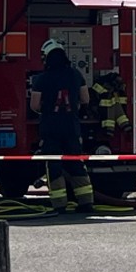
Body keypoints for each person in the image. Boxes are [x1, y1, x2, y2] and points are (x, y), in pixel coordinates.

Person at [30, 39, 95, 213]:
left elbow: (34, 106)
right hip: (72, 127)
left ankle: (59, 205)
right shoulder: (76, 74)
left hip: (50, 128)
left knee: (53, 165)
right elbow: (86, 99)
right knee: (76, 163)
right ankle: (86, 202)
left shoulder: (41, 79)